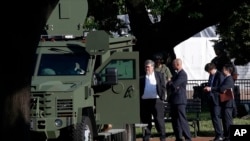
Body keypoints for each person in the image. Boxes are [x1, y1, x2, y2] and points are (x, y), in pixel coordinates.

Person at [140, 59, 166, 141]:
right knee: (145, 119)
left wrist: (162, 97)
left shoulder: (159, 75)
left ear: (152, 67)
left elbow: (163, 86)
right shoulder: (141, 76)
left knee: (159, 119)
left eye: (148, 67)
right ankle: (147, 136)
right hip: (144, 101)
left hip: (157, 101)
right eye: (145, 67)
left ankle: (162, 136)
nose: (146, 69)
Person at [167, 58, 192, 141]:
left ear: (177, 64)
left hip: (180, 100)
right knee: (175, 120)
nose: (172, 66)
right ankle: (179, 137)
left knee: (182, 119)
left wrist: (171, 83)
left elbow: (173, 84)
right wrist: (171, 83)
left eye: (173, 65)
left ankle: (188, 137)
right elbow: (171, 85)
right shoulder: (176, 74)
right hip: (174, 100)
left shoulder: (183, 74)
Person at [203, 63, 224, 141]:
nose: (208, 73)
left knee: (216, 117)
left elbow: (221, 87)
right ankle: (217, 135)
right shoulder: (211, 75)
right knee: (213, 117)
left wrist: (211, 88)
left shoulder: (219, 75)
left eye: (208, 71)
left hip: (217, 99)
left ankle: (220, 135)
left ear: (212, 69)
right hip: (211, 98)